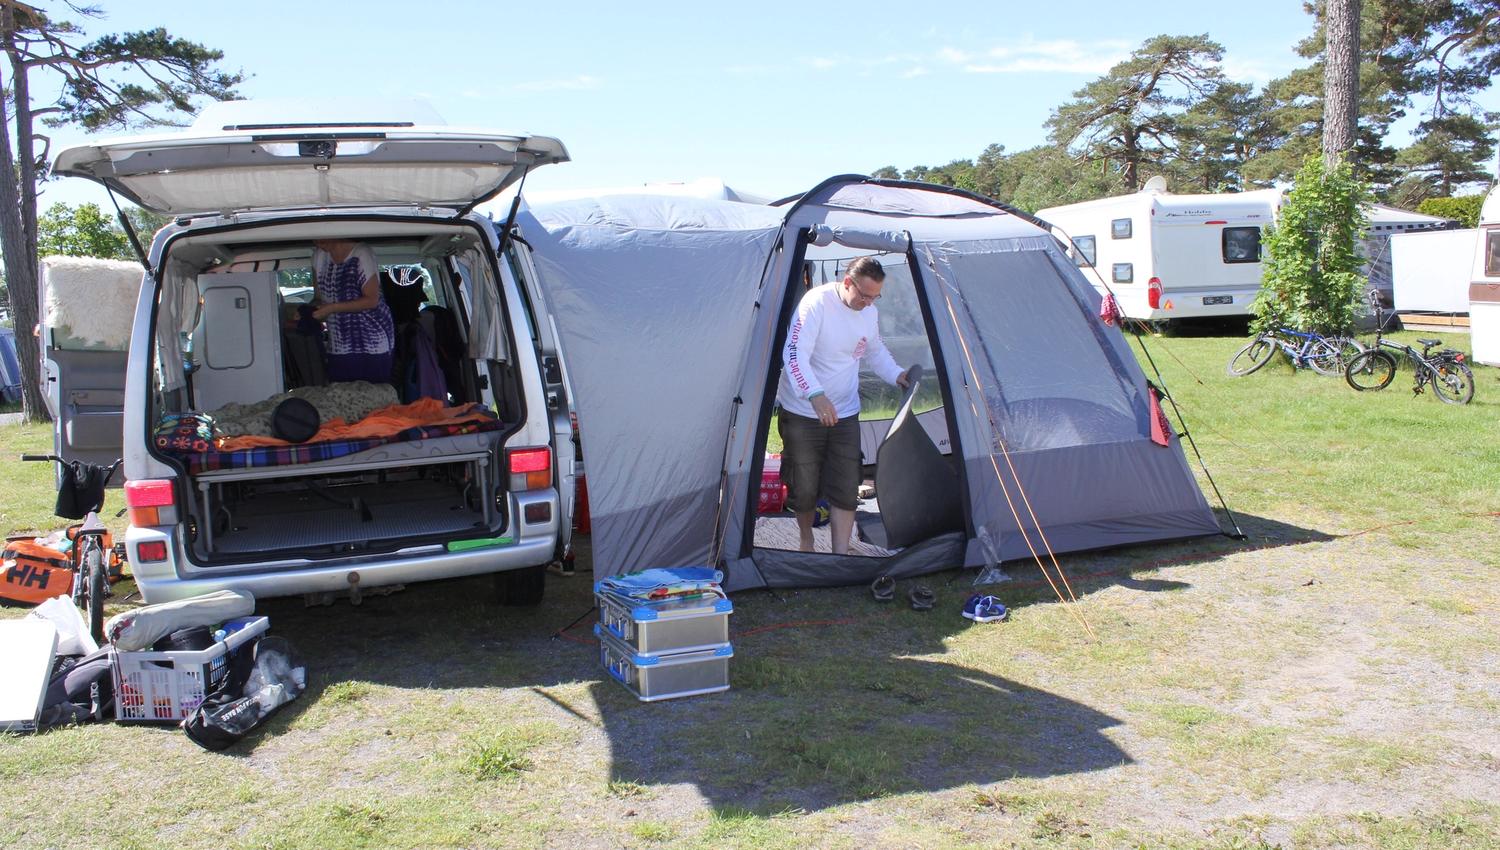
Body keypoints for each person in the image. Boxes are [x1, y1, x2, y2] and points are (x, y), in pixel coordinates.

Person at [775, 256, 908, 554]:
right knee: (804, 486)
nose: (869, 303)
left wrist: (896, 374)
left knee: (847, 485)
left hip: (846, 410)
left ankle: (839, 554)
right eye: (864, 295)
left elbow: (875, 350)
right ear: (847, 282)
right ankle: (806, 539)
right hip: (803, 411)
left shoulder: (868, 312)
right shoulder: (816, 304)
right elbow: (794, 355)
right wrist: (815, 395)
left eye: (875, 297)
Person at [310, 240, 396, 384]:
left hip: (372, 342)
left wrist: (332, 308)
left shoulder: (361, 252)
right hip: (338, 344)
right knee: (342, 398)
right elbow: (319, 298)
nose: (317, 241)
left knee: (374, 396)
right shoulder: (318, 257)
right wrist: (309, 311)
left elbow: (371, 300)